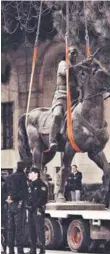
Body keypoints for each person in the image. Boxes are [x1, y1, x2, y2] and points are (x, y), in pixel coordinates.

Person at [49, 46, 79, 152]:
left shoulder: (75, 67)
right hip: (61, 97)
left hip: (73, 98)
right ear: (67, 54)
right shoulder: (63, 64)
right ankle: (51, 139)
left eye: (76, 54)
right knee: (57, 115)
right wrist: (82, 65)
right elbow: (68, 73)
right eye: (72, 53)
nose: (75, 55)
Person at [5, 161, 28, 254]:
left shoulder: (9, 177)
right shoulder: (23, 177)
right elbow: (24, 192)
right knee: (19, 228)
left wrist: (9, 198)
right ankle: (20, 250)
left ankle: (10, 250)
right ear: (24, 168)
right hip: (19, 204)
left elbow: (4, 190)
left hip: (10, 204)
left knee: (10, 228)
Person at [27, 167, 48, 254]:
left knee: (39, 229)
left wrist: (35, 206)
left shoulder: (41, 185)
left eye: (31, 173)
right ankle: (33, 249)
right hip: (31, 210)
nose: (29, 174)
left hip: (38, 210)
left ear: (36, 174)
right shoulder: (30, 185)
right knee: (31, 230)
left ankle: (42, 249)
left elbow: (43, 199)